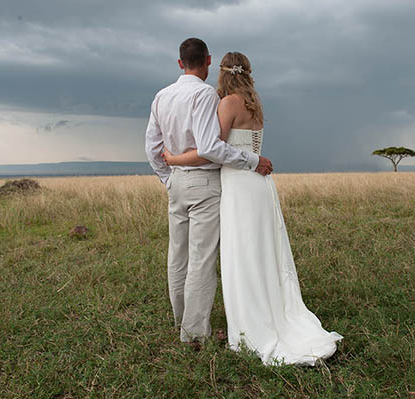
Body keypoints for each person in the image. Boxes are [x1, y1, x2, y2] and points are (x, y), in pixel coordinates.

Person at [163, 51, 342, 365]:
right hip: (259, 185)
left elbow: (210, 151)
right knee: (262, 252)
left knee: (242, 254)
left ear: (220, 72)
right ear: (247, 72)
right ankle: (270, 310)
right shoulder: (252, 101)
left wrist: (174, 159)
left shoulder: (226, 103)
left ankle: (251, 325)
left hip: (238, 185)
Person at [144, 38, 273, 344]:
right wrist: (252, 160)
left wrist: (168, 177)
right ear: (207, 61)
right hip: (203, 183)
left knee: (177, 256)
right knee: (201, 259)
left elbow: (152, 148)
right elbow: (211, 147)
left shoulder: (162, 95)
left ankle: (181, 322)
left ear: (180, 63)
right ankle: (194, 334)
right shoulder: (205, 95)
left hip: (176, 182)